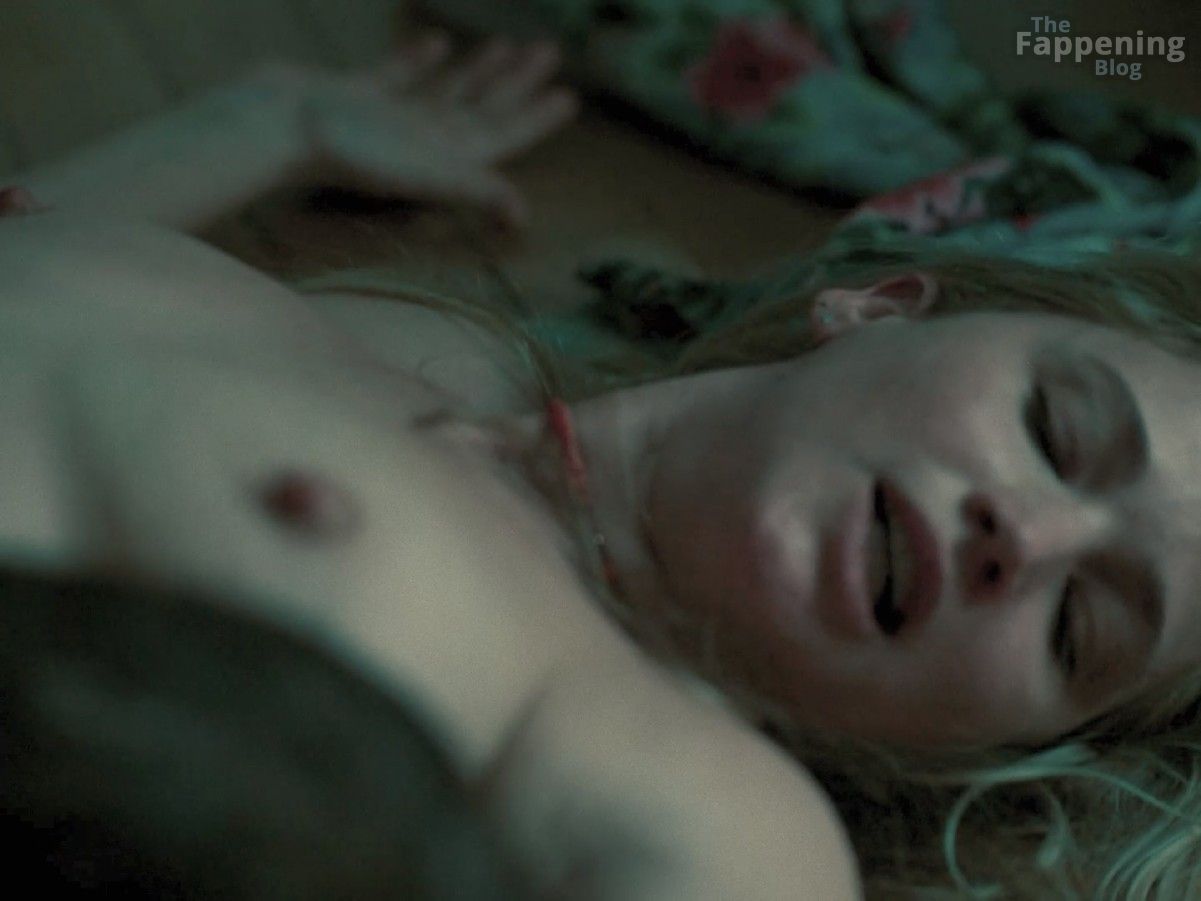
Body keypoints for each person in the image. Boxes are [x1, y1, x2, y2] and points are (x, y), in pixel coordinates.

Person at [4, 32, 1201, 899]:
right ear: (877, 306)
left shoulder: (720, 813)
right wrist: (267, 123)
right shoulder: (431, 346)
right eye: (1056, 430)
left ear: (975, 749)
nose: (1027, 541)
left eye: (1079, 628)